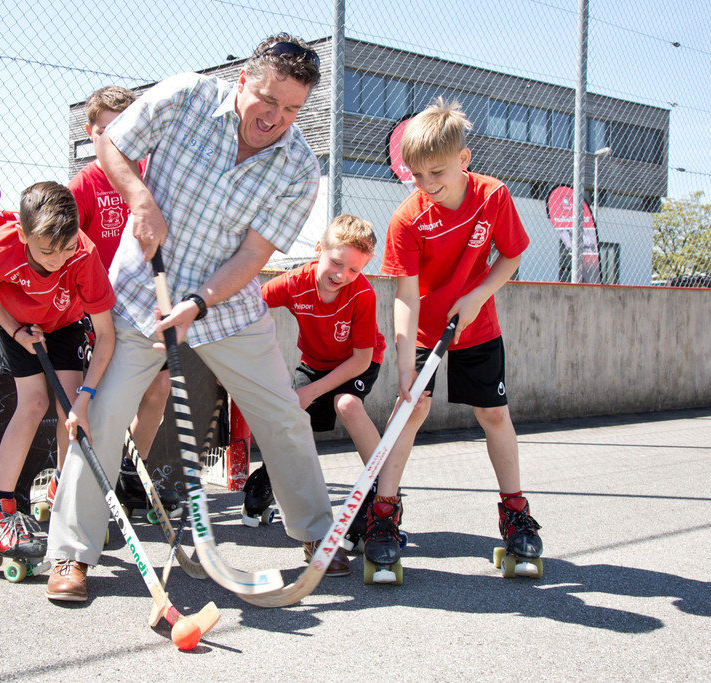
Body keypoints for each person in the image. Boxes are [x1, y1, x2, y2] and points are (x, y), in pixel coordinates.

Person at [44, 33, 349, 602]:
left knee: (284, 415)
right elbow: (111, 144)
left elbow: (254, 257)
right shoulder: (185, 96)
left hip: (227, 308)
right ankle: (70, 553)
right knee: (103, 417)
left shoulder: (299, 167)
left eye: (291, 109)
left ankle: (317, 536)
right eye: (267, 99)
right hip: (141, 296)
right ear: (243, 81)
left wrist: (198, 304)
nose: (276, 118)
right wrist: (141, 199)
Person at [375, 98, 541, 577]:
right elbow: (406, 295)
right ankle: (383, 515)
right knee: (411, 409)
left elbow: (510, 256)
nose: (426, 184)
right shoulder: (407, 218)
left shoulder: (493, 196)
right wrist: (406, 360)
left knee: (493, 413)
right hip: (425, 328)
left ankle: (515, 514)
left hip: (476, 322)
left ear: (463, 159)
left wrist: (477, 295)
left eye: (436, 172)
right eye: (416, 175)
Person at [0, 181, 115, 575]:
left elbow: (106, 334)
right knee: (33, 404)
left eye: (67, 249)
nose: (59, 260)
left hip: (65, 324)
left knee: (70, 406)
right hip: (18, 324)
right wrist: (14, 330)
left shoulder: (84, 254)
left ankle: (64, 492)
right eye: (48, 251)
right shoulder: (1, 247)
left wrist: (85, 399)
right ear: (23, 234)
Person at [67, 85, 177, 519]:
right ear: (91, 133)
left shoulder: (151, 176)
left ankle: (132, 473)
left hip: (145, 307)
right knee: (102, 400)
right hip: (99, 311)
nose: (118, 140)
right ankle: (84, 486)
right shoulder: (84, 184)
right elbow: (65, 250)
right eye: (107, 131)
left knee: (159, 387)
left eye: (126, 129)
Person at [254, 214, 386, 542]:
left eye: (354, 269)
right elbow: (251, 304)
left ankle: (382, 492)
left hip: (357, 362)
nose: (342, 275)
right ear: (319, 249)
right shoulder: (294, 282)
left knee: (347, 404)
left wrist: (312, 392)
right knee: (290, 415)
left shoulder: (362, 294)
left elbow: (361, 359)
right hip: (315, 362)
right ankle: (270, 476)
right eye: (336, 263)